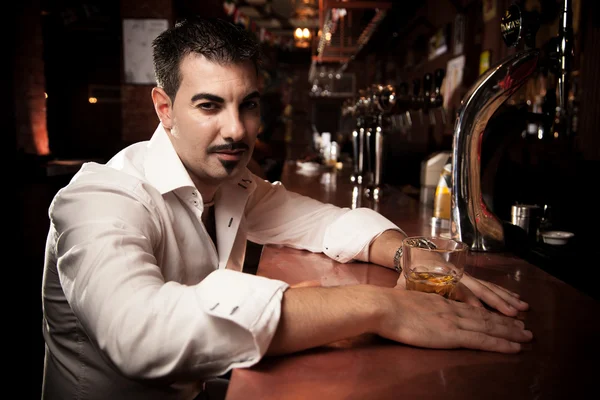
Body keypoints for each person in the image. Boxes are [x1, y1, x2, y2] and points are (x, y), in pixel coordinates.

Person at [40, 16, 532, 400]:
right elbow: (140, 334)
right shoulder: (102, 198)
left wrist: (411, 253)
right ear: (164, 108)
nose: (236, 130)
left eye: (248, 105)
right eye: (209, 106)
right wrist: (380, 306)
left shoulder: (233, 185)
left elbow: (329, 223)